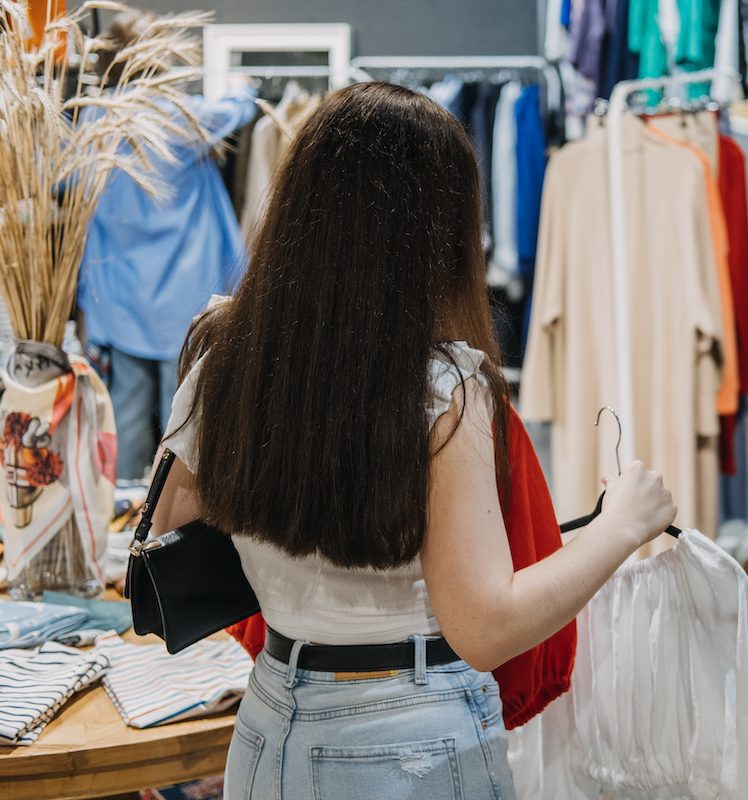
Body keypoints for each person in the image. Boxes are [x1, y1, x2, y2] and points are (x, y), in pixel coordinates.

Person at [150, 82, 677, 799]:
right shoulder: (442, 387)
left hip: (272, 720)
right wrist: (620, 526)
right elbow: (486, 626)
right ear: (441, 230)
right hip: (408, 737)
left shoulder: (226, 359)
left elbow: (171, 529)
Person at [78, 9, 257, 481]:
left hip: (121, 299)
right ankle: (171, 537)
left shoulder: (94, 123)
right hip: (187, 298)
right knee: (184, 426)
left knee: (127, 420)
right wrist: (242, 85)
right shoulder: (179, 117)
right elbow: (237, 110)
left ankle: (122, 532)